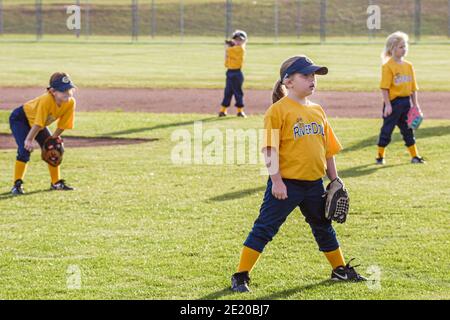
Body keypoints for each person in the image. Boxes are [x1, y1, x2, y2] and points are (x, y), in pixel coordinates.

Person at [230, 56, 366, 292]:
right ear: (288, 81)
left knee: (323, 227)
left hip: (314, 185)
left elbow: (328, 150)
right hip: (286, 185)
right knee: (265, 228)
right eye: (306, 75)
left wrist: (334, 180)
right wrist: (277, 181)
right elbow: (269, 149)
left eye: (314, 76)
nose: (312, 80)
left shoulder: (317, 110)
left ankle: (339, 270)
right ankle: (240, 276)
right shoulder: (277, 111)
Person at [9, 72, 76, 195]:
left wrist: (53, 139)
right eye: (63, 90)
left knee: (54, 147)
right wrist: (29, 140)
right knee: (25, 150)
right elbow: (38, 123)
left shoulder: (70, 102)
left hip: (37, 124)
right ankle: (17, 184)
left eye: (69, 89)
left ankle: (56, 183)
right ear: (53, 91)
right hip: (20, 118)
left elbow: (63, 125)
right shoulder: (46, 100)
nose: (67, 93)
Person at [376, 31, 424, 165]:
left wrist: (415, 105)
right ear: (392, 49)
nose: (404, 49)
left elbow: (413, 88)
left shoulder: (408, 66)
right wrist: (388, 105)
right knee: (387, 130)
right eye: (401, 46)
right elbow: (384, 88)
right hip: (393, 103)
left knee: (408, 130)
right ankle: (380, 156)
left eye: (405, 46)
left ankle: (415, 156)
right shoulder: (388, 66)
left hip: (406, 103)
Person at [218, 30, 248, 118]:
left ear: (244, 41)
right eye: (236, 39)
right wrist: (229, 46)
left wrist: (228, 45)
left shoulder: (240, 49)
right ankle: (223, 110)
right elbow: (226, 62)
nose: (238, 41)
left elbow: (230, 51)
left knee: (238, 92)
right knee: (228, 92)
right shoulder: (232, 48)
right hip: (229, 72)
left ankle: (240, 111)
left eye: (240, 40)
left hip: (237, 73)